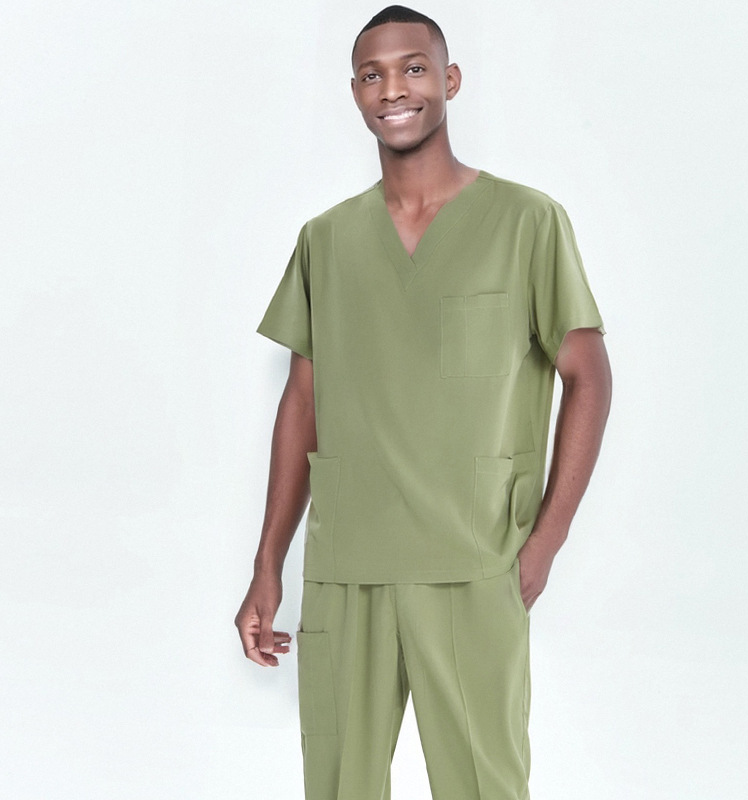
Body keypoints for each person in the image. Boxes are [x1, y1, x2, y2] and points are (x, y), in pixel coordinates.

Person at [235, 6, 612, 799]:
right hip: (347, 567)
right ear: (354, 92)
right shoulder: (327, 240)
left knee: (484, 787)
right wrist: (268, 563)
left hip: (474, 563)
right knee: (337, 788)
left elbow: (588, 376)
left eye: (413, 68)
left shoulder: (527, 222)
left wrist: (546, 541)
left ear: (450, 80)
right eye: (372, 75)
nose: (393, 89)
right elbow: (303, 399)